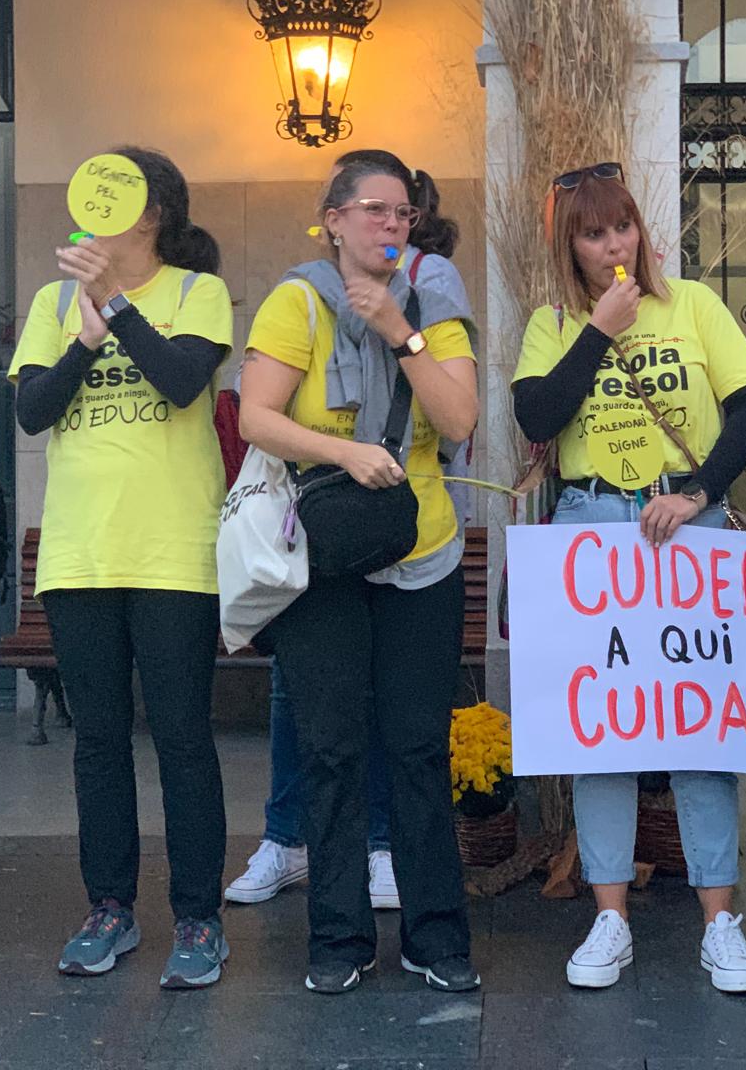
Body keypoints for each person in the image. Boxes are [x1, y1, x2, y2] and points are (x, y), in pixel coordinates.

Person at [511, 161, 746, 994]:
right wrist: (599, 330)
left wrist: (700, 494)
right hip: (589, 529)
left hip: (682, 529)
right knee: (603, 734)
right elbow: (537, 417)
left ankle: (720, 921)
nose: (612, 243)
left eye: (622, 226)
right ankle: (610, 918)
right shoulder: (552, 321)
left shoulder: (692, 304)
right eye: (593, 232)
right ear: (572, 245)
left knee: (701, 731)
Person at [239, 157, 479, 995]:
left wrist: (399, 332)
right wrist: (347, 452)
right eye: (373, 210)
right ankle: (338, 940)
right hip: (327, 551)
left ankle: (436, 935)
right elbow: (256, 415)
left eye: (404, 214)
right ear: (332, 219)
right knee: (332, 749)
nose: (390, 226)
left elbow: (458, 417)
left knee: (418, 749)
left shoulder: (433, 299)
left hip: (423, 551)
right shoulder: (297, 299)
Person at [10, 147, 233, 987]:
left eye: (119, 196)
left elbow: (182, 383)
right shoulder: (50, 302)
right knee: (97, 742)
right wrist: (82, 335)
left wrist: (115, 307)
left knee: (182, 740)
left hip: (174, 554)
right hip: (79, 556)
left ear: (152, 215)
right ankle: (109, 907)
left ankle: (198, 919)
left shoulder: (197, 293)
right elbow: (31, 409)